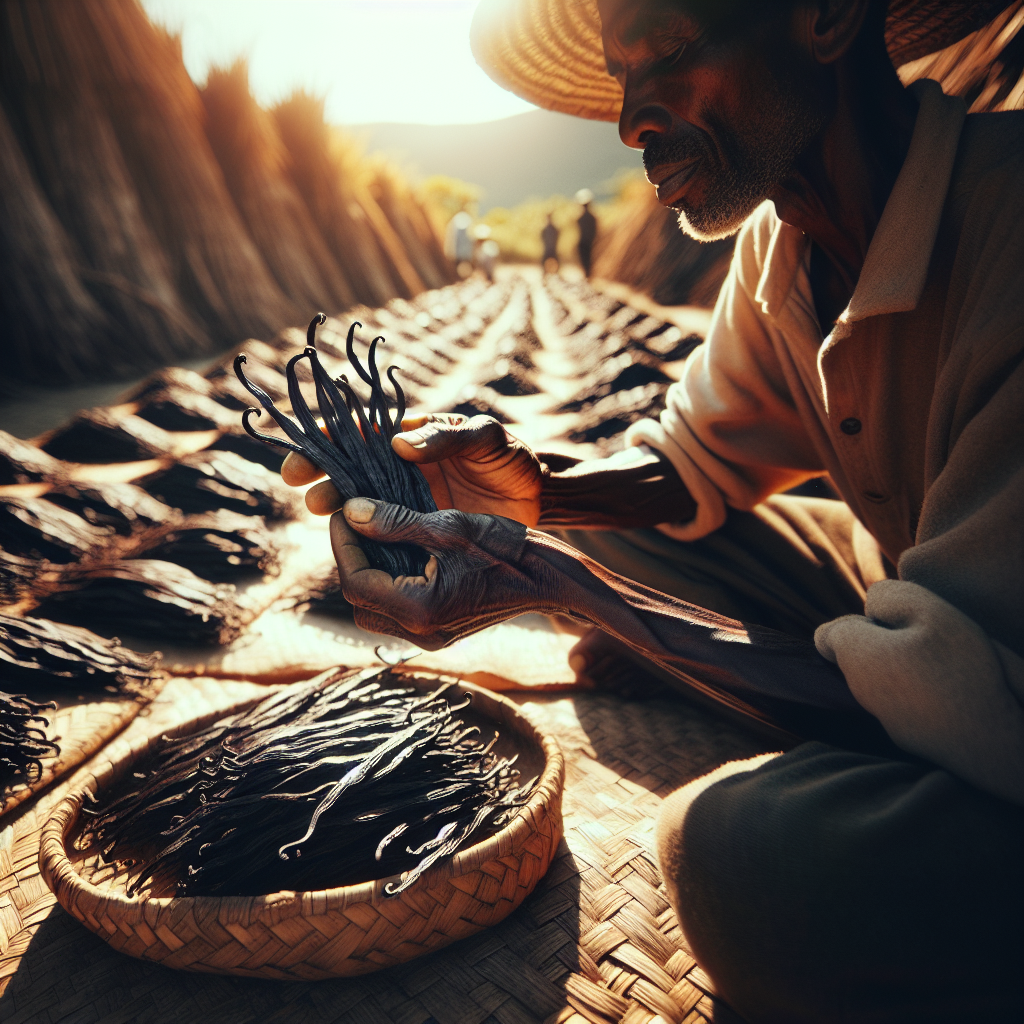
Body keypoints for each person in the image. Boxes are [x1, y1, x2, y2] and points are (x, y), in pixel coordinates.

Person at [281, 0, 1024, 1020]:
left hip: (997, 685)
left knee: (744, 860)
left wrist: (579, 593)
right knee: (605, 527)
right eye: (620, 76)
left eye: (668, 49)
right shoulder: (784, 243)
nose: (631, 119)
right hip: (907, 585)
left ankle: (760, 684)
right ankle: (748, 661)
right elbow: (690, 461)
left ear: (824, 17)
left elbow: (973, 692)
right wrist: (538, 494)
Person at [575, 188, 598, 276]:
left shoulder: (580, 218)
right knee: (589, 257)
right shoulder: (592, 217)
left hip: (583, 240)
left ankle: (587, 273)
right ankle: (588, 273)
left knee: (584, 258)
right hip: (591, 240)